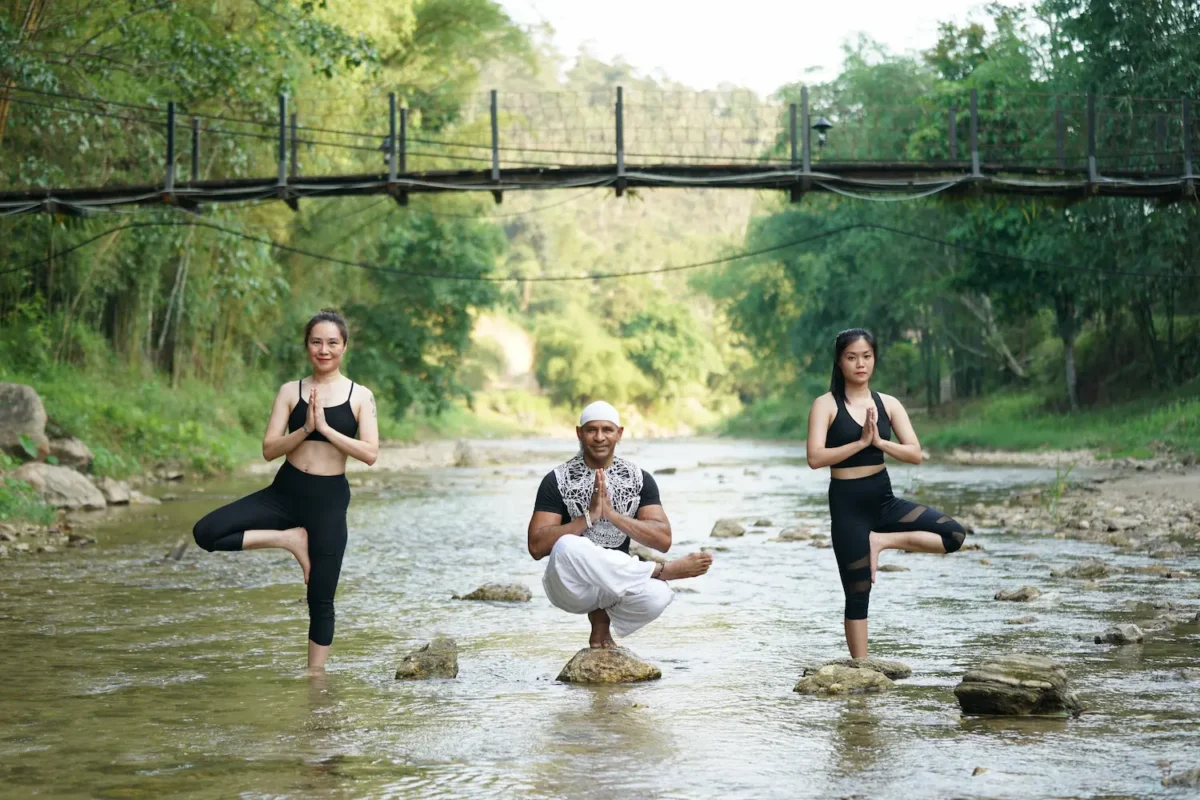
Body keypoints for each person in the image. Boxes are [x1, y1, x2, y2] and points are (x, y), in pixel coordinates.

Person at [191, 309, 379, 673]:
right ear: (307, 345)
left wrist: (325, 428)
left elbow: (370, 453)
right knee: (206, 532)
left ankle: (315, 681)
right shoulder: (290, 391)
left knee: (320, 598)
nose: (324, 350)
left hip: (328, 503)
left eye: (332, 343)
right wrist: (305, 429)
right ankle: (289, 539)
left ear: (344, 346)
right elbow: (269, 449)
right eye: (316, 342)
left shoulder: (360, 396)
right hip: (284, 493)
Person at [806, 328, 967, 658]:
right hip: (847, 507)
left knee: (954, 534)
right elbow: (815, 458)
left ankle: (881, 541)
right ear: (839, 362)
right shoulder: (826, 405)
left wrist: (879, 442)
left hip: (883, 500)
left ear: (874, 359)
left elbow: (915, 453)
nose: (860, 364)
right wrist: (860, 443)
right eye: (852, 357)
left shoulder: (888, 403)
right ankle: (861, 670)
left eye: (866, 356)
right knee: (858, 593)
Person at [527, 401, 713, 649]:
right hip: (571, 587)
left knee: (659, 595)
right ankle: (662, 571)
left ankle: (601, 625)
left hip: (617, 585)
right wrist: (589, 517)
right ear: (579, 433)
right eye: (591, 430)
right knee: (568, 546)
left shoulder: (639, 479)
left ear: (620, 433)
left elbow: (663, 540)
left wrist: (614, 516)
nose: (599, 437)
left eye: (607, 429)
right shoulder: (556, 480)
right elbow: (536, 547)